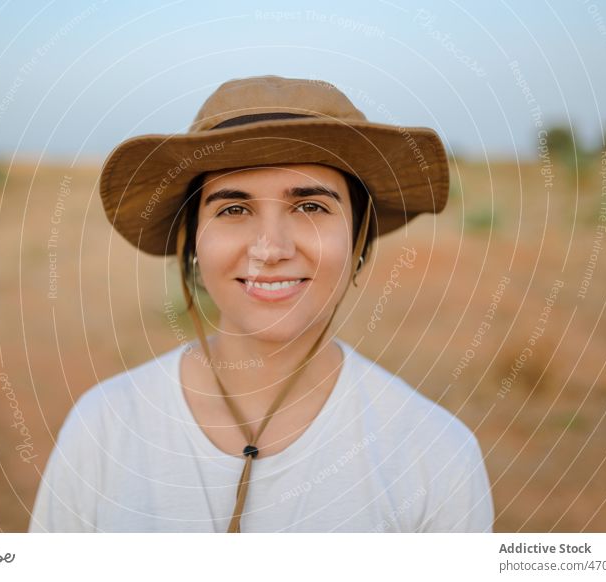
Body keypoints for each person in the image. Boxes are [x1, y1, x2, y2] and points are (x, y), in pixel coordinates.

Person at [28, 75, 494, 533]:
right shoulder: (104, 429)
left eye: (311, 206)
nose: (270, 249)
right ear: (192, 242)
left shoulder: (436, 455)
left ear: (358, 238)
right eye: (233, 209)